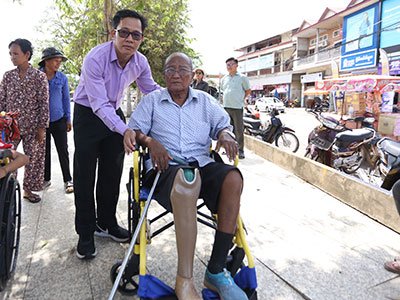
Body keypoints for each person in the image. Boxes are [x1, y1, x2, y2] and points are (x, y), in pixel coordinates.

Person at [125, 52, 247, 300]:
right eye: (171, 70)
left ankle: (215, 270)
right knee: (185, 178)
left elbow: (223, 125)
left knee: (233, 177)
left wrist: (225, 135)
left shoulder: (205, 101)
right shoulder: (152, 101)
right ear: (164, 75)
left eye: (183, 70)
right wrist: (150, 141)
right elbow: (134, 131)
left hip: (201, 163)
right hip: (165, 168)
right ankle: (185, 279)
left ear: (192, 75)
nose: (177, 74)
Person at [72, 9, 160, 260]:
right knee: (85, 175)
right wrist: (126, 130)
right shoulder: (95, 58)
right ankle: (86, 233)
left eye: (136, 35)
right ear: (113, 33)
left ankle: (107, 224)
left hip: (115, 114)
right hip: (88, 113)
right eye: (124, 33)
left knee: (112, 174)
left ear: (141, 39)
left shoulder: (140, 62)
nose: (129, 39)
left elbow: (150, 90)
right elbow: (98, 104)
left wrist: (177, 93)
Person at [0, 39, 49, 203]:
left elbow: (44, 103)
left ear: (27, 55)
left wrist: (42, 127)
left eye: (16, 54)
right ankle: (8, 189)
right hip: (10, 127)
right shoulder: (8, 77)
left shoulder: (39, 77)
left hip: (33, 126)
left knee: (33, 158)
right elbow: (1, 101)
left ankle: (28, 190)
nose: (12, 57)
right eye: (10, 54)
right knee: (8, 157)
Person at [39, 47, 74, 194]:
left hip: (59, 120)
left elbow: (66, 99)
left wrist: (68, 118)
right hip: (41, 122)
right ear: (46, 61)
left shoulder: (62, 78)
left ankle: (68, 180)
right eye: (56, 61)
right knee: (43, 151)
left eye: (60, 61)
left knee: (63, 150)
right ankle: (45, 179)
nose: (58, 64)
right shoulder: (37, 76)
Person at [221, 57, 251, 159]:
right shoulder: (224, 78)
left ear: (236, 65)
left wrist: (242, 99)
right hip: (226, 107)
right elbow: (223, 91)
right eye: (227, 65)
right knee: (228, 130)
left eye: (231, 64)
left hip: (237, 107)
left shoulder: (242, 77)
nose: (229, 66)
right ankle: (229, 149)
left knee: (238, 130)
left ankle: (241, 150)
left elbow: (248, 90)